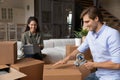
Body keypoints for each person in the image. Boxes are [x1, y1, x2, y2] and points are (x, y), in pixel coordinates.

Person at [53, 6, 120, 80]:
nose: (85, 25)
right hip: (98, 74)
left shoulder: (112, 34)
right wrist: (65, 59)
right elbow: (79, 50)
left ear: (96, 19)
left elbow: (117, 64)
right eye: (84, 22)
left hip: (111, 76)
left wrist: (94, 64)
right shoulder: (90, 34)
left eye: (87, 21)